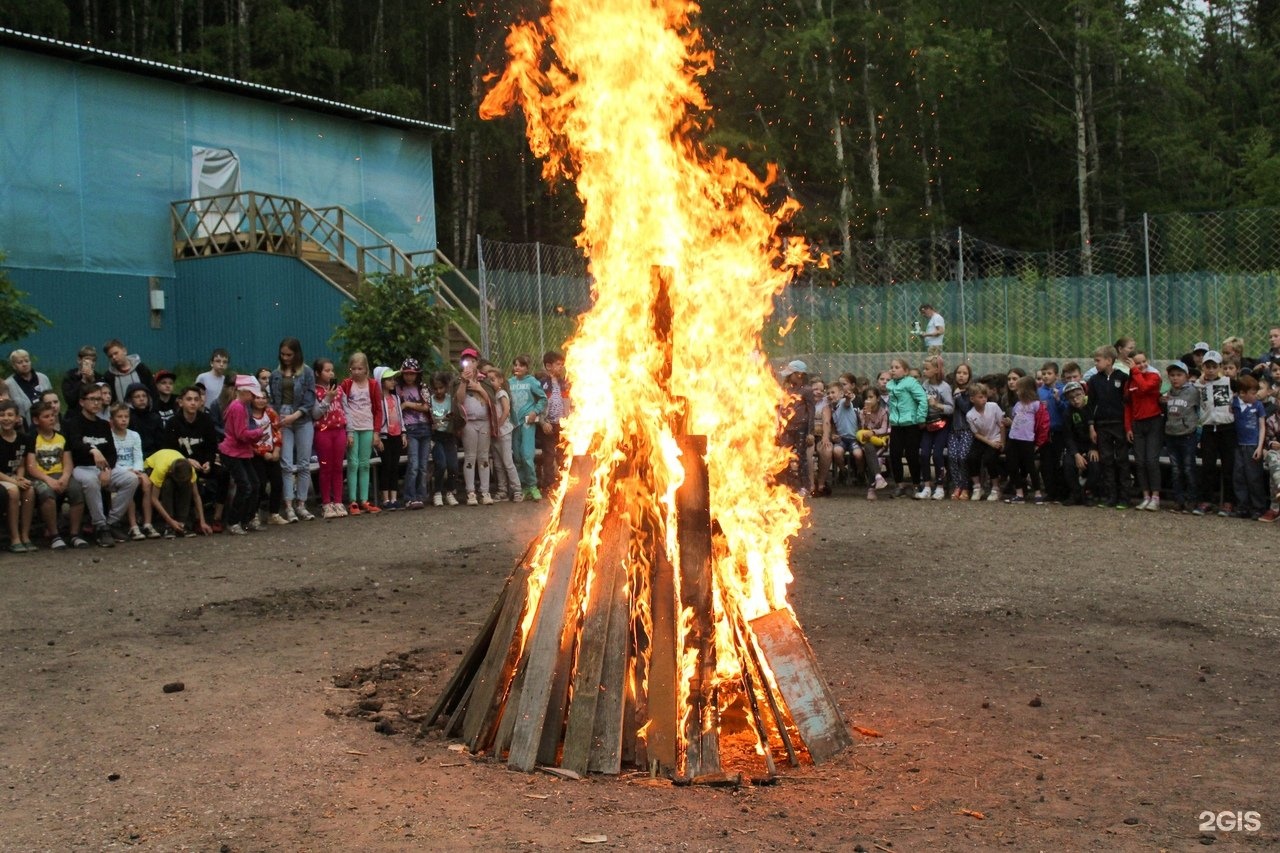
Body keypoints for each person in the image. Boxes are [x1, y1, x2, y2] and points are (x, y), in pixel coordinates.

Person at [62, 383, 138, 547]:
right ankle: (100, 526)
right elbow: (75, 445)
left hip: (104, 468)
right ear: (82, 402)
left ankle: (111, 522)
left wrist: (106, 470)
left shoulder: (103, 424)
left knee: (131, 479)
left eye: (99, 399)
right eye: (92, 399)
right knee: (91, 481)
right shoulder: (73, 422)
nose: (97, 403)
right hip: (82, 467)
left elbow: (112, 452)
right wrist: (93, 450)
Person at [269, 337, 317, 522]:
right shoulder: (275, 374)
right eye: (283, 354)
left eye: (289, 354)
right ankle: (288, 506)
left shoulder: (307, 373)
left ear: (297, 354)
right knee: (286, 464)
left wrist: (295, 415)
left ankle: (302, 504)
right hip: (282, 418)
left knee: (304, 463)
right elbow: (273, 399)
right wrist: (277, 418)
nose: (286, 357)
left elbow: (310, 399)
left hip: (302, 418)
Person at [25, 401, 81, 550]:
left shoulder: (61, 438)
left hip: (60, 475)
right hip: (40, 476)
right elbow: (31, 467)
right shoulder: (32, 438)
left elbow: (68, 462)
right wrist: (48, 479)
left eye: (53, 416)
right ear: (36, 420)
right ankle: (54, 534)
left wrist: (64, 477)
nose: (51, 419)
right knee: (46, 493)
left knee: (77, 489)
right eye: (46, 416)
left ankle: (74, 534)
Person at [165, 385, 221, 523]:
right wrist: (187, 460)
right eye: (189, 399)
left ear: (201, 402)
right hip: (182, 464)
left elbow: (211, 446)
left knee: (224, 473)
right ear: (181, 402)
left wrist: (209, 461)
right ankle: (193, 517)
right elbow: (169, 449)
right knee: (186, 475)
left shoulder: (206, 420)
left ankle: (217, 516)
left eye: (196, 399)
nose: (193, 402)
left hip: (203, 464)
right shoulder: (173, 423)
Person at [217, 375, 266, 535]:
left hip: (241, 451)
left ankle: (247, 519)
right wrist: (259, 432)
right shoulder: (238, 407)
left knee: (254, 484)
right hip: (232, 452)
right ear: (244, 392)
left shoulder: (242, 406)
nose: (254, 397)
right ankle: (233, 521)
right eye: (252, 394)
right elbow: (241, 434)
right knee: (245, 485)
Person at [108, 402, 160, 540]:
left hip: (135, 469)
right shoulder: (110, 436)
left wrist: (138, 470)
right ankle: (133, 526)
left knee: (147, 484)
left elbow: (138, 456)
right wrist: (130, 472)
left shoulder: (134, 435)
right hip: (119, 470)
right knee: (131, 482)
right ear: (112, 419)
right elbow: (113, 459)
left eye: (126, 416)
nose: (124, 420)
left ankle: (148, 524)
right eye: (120, 417)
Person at [1086, 345, 1129, 509]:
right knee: (1107, 461)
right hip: (1102, 425)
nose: (1096, 364)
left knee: (1122, 460)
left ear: (1109, 360)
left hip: (1119, 425)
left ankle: (1124, 497)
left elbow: (1127, 401)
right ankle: (1110, 496)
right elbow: (1090, 405)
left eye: (1098, 360)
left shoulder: (1123, 377)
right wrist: (1091, 426)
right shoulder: (1094, 380)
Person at [340, 352, 383, 515]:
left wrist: (377, 432)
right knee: (353, 462)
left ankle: (364, 499)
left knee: (365, 463)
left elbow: (378, 410)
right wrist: (347, 431)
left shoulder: (372, 385)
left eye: (360, 368)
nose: (357, 371)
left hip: (367, 427)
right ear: (350, 369)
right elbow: (342, 407)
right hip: (352, 428)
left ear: (366, 369)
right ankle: (352, 500)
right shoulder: (346, 385)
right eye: (354, 368)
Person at [1194, 350, 1236, 516]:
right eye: (1207, 366)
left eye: (1214, 366)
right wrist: (1200, 380)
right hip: (1208, 428)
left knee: (1228, 466)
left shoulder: (1229, 382)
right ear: (1203, 366)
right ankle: (1206, 500)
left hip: (1227, 428)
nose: (1210, 370)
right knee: (1207, 466)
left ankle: (1228, 502)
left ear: (1219, 367)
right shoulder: (1199, 385)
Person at [1124, 352, 1165, 511]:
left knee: (1151, 460)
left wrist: (1135, 371)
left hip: (1153, 421)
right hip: (1137, 424)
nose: (1141, 366)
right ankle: (1145, 495)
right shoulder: (1130, 381)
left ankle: (1156, 496)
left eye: (1143, 362)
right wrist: (1128, 427)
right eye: (1137, 363)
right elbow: (1128, 405)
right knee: (1140, 461)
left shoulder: (1153, 376)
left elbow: (1145, 387)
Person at [311, 358, 348, 519]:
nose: (331, 373)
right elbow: (315, 414)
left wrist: (350, 431)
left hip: (339, 431)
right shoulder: (314, 391)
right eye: (327, 370)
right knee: (325, 468)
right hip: (323, 432)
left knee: (338, 467)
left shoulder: (339, 390)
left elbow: (346, 410)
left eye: (332, 370)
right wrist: (327, 399)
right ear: (318, 373)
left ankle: (338, 501)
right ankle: (326, 503)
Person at [886, 357, 927, 498]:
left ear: (906, 371)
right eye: (892, 367)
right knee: (894, 454)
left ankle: (916, 484)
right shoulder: (890, 385)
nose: (893, 370)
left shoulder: (911, 383)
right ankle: (899, 484)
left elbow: (922, 399)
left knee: (912, 455)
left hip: (911, 425)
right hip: (896, 425)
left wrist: (920, 417)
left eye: (897, 367)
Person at [145, 449, 211, 537]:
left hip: (173, 467)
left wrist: (202, 522)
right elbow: (154, 498)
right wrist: (170, 521)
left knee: (187, 485)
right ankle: (169, 526)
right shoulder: (161, 469)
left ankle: (182, 523)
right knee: (168, 484)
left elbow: (196, 496)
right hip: (150, 467)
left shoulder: (190, 470)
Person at [1002, 376, 1047, 504]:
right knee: (1012, 465)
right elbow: (1015, 419)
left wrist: (1038, 442)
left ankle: (1037, 492)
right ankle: (1019, 492)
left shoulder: (1036, 405)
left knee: (1030, 466)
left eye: (1019, 390)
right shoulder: (1017, 405)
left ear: (1026, 390)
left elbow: (1042, 424)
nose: (1016, 392)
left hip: (1027, 440)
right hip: (1014, 438)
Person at [508, 355, 547, 502]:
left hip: (527, 424)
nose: (517, 368)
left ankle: (532, 485)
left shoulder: (532, 382)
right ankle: (522, 485)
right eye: (515, 365)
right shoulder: (509, 383)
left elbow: (543, 399)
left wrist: (535, 412)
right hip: (514, 424)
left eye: (521, 365)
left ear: (527, 368)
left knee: (527, 455)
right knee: (517, 456)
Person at [1163, 361, 1200, 513]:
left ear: (1186, 376)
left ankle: (1192, 500)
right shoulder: (1169, 391)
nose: (1175, 378)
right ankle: (1178, 500)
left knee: (1188, 468)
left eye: (1179, 375)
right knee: (1176, 470)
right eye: (1172, 375)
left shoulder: (1193, 391)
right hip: (1171, 435)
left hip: (1187, 436)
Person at [0, 399, 35, 552]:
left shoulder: (23, 438)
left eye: (10, 415)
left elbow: (21, 463)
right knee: (13, 491)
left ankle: (25, 535)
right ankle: (14, 537)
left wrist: (20, 477)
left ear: (17, 418)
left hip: (14, 477)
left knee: (29, 491)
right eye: (1, 415)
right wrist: (13, 481)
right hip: (3, 478)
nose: (6, 418)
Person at [396, 358, 431, 510]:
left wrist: (408, 404)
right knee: (414, 464)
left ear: (417, 374)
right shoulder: (399, 388)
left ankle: (421, 495)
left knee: (423, 465)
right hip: (410, 429)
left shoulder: (422, 387)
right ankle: (409, 496)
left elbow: (427, 407)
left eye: (412, 374)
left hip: (425, 427)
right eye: (406, 374)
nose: (409, 377)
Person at [1230, 375, 1267, 519]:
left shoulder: (1258, 405)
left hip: (1252, 446)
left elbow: (1262, 427)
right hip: (1239, 445)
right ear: (1242, 393)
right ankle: (1242, 506)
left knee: (1254, 477)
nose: (1255, 395)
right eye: (1252, 393)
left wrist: (1260, 446)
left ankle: (1258, 507)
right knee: (1239, 476)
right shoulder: (1235, 403)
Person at [485, 363, 523, 502]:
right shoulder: (491, 395)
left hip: (504, 432)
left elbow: (506, 410)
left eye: (493, 379)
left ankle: (517, 489)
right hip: (495, 434)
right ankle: (502, 490)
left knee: (507, 461)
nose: (490, 382)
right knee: (498, 463)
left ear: (501, 380)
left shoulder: (501, 393)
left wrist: (498, 425)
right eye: (488, 380)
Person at [249, 382, 286, 526]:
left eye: (264, 398)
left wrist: (276, 450)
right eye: (257, 397)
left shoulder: (270, 413)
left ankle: (274, 513)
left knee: (278, 482)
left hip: (272, 452)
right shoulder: (248, 415)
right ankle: (253, 514)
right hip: (256, 455)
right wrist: (263, 453)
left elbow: (277, 431)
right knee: (260, 483)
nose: (261, 400)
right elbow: (248, 439)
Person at [777, 360, 815, 497]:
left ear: (799, 375)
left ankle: (805, 486)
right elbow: (782, 410)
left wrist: (810, 432)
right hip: (787, 428)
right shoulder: (786, 390)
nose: (788, 377)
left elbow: (811, 411)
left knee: (800, 457)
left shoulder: (807, 391)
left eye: (791, 374)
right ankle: (790, 485)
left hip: (801, 428)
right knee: (784, 456)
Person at [918, 355, 953, 500]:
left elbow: (951, 408)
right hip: (927, 424)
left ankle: (940, 486)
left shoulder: (944, 387)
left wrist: (937, 405)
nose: (924, 371)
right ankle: (926, 486)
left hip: (941, 424)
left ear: (936, 369)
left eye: (927, 368)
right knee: (924, 454)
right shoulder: (924, 385)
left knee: (938, 454)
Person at [536, 350, 572, 492]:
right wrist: (543, 422)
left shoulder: (564, 384)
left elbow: (568, 404)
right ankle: (549, 484)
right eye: (558, 364)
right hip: (548, 425)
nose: (561, 367)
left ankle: (566, 482)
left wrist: (569, 421)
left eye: (562, 365)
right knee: (549, 454)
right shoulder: (541, 384)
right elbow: (538, 405)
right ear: (548, 366)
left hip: (562, 425)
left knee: (563, 454)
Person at [1061, 381, 1099, 506]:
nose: (1076, 400)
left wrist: (1094, 447)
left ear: (1083, 393)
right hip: (1076, 446)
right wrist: (1076, 454)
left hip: (1092, 445)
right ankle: (1076, 492)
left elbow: (1098, 430)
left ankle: (1088, 492)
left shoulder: (1092, 407)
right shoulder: (1068, 412)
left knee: (1094, 463)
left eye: (1078, 395)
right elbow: (1068, 436)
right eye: (1071, 398)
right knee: (1068, 463)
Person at [965, 382, 1005, 500]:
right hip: (983, 439)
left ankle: (995, 488)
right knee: (971, 458)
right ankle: (977, 487)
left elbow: (1001, 425)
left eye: (985, 396)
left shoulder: (993, 407)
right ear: (972, 399)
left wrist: (1002, 442)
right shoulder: (970, 415)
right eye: (980, 397)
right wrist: (989, 442)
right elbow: (976, 434)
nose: (984, 399)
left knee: (989, 459)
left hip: (996, 437)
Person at [1036, 361, 1069, 501]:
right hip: (1044, 433)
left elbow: (1067, 410)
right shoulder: (1039, 392)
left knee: (1058, 462)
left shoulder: (1063, 390)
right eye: (1043, 374)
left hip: (1059, 432)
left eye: (1049, 373)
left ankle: (1062, 492)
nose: (1045, 376)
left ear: (1056, 375)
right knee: (1046, 463)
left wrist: (1058, 400)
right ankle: (1050, 492)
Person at [429, 371, 461, 506]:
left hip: (449, 436)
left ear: (446, 387)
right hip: (436, 437)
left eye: (441, 388)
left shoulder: (450, 400)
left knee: (453, 465)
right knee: (441, 464)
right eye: (435, 388)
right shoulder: (429, 400)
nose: (438, 391)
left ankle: (449, 491)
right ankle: (437, 492)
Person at [374, 366, 404, 511]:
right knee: (386, 466)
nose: (393, 382)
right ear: (381, 381)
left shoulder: (396, 398)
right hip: (385, 436)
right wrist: (377, 436)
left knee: (394, 466)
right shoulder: (378, 400)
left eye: (393, 379)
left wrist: (403, 432)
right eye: (389, 379)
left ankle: (394, 497)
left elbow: (400, 416)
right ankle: (385, 498)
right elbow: (376, 419)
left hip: (396, 435)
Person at [945, 363, 975, 499]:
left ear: (969, 376)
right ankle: (957, 485)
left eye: (965, 373)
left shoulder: (971, 392)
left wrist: (958, 397)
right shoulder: (950, 390)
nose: (961, 376)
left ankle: (966, 487)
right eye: (959, 373)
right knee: (952, 457)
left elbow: (967, 410)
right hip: (953, 430)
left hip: (967, 430)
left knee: (962, 457)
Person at [855, 387, 890, 498]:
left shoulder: (884, 412)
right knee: (869, 449)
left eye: (871, 397)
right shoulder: (862, 412)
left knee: (873, 456)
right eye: (866, 398)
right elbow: (863, 429)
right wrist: (866, 417)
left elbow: (885, 429)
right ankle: (878, 477)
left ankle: (871, 488)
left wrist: (873, 432)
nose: (868, 400)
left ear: (878, 398)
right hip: (868, 442)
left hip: (881, 440)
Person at [5, 349, 52, 427]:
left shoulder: (43, 378)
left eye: (27, 361)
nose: (24, 364)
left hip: (47, 424)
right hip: (24, 427)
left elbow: (52, 399)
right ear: (14, 366)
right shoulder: (9, 384)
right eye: (20, 362)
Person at [102, 338, 156, 404]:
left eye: (116, 353)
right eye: (110, 356)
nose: (114, 357)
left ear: (124, 351)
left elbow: (153, 391)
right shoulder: (109, 376)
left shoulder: (141, 369)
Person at [830, 376, 861, 487]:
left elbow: (847, 403)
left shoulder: (844, 403)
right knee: (837, 452)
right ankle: (844, 472)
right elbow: (833, 424)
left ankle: (860, 473)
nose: (831, 395)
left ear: (841, 394)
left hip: (853, 438)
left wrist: (847, 398)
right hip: (842, 439)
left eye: (833, 392)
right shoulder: (832, 408)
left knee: (858, 454)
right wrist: (833, 435)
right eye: (828, 393)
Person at [125, 382, 164, 457]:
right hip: (133, 456)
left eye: (144, 396)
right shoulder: (127, 418)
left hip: (155, 456)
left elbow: (160, 444)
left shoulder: (156, 418)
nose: (142, 399)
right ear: (130, 400)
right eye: (137, 397)